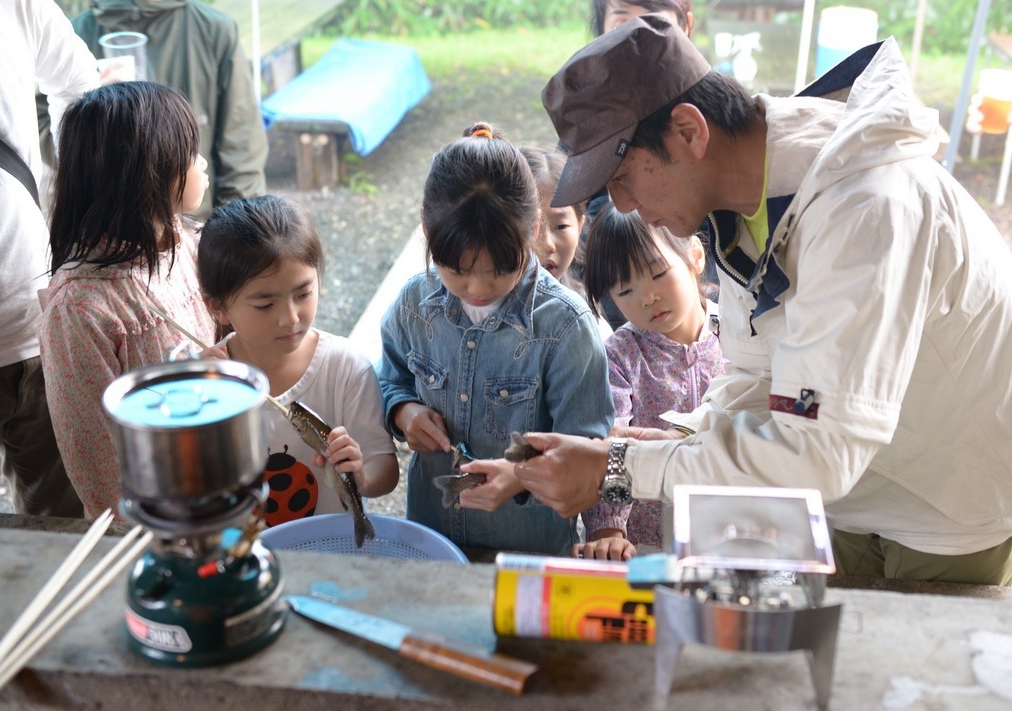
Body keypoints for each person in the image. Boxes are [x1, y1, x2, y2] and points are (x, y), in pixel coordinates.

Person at [515, 15, 1012, 585]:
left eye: (623, 176)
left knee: (896, 668)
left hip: (949, 503)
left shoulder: (865, 209)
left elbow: (816, 447)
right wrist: (690, 431)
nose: (622, 206)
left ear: (689, 130)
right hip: (851, 490)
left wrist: (621, 466)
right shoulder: (740, 207)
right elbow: (757, 375)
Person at [377, 121, 614, 556]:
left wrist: (520, 475)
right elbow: (387, 377)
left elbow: (588, 448)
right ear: (427, 232)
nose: (479, 289)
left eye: (502, 270)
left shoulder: (564, 326)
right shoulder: (414, 304)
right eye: (459, 272)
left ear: (535, 229)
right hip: (433, 538)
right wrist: (405, 412)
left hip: (531, 551)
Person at [38, 81, 216, 519]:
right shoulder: (79, 310)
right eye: (190, 154)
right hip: (154, 524)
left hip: (217, 486)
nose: (203, 163)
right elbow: (98, 464)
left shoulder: (191, 243)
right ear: (149, 172)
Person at [198, 194, 399, 526]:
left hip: (329, 549)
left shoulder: (345, 368)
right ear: (217, 307)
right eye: (265, 305)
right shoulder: (209, 381)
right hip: (242, 556)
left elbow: (385, 470)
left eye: (303, 294)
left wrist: (360, 473)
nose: (290, 318)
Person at [0, 0, 97, 517]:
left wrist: (77, 207)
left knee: (60, 522)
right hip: (36, 309)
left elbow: (77, 82)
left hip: (38, 319)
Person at [575, 205, 724, 561]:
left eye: (658, 273)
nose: (647, 297)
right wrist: (609, 528)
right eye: (625, 292)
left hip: (731, 529)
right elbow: (608, 444)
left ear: (696, 257)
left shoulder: (738, 333)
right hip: (647, 541)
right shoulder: (619, 357)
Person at [39, 0, 267, 219]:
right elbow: (41, 129)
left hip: (195, 224)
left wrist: (234, 237)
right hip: (106, 230)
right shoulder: (75, 35)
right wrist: (89, 106)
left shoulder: (214, 31)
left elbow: (242, 145)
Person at [583, 0, 701, 331]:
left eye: (649, 23)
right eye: (621, 25)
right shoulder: (587, 125)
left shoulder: (707, 117)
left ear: (685, 25)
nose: (632, 42)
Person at [519, 145, 612, 339]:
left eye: (560, 226)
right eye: (531, 227)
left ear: (580, 226)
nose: (547, 245)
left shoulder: (590, 327)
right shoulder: (475, 308)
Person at [591, 0, 694, 37]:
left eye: (654, 22)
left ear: (684, 27)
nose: (636, 38)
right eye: (620, 27)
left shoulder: (707, 85)